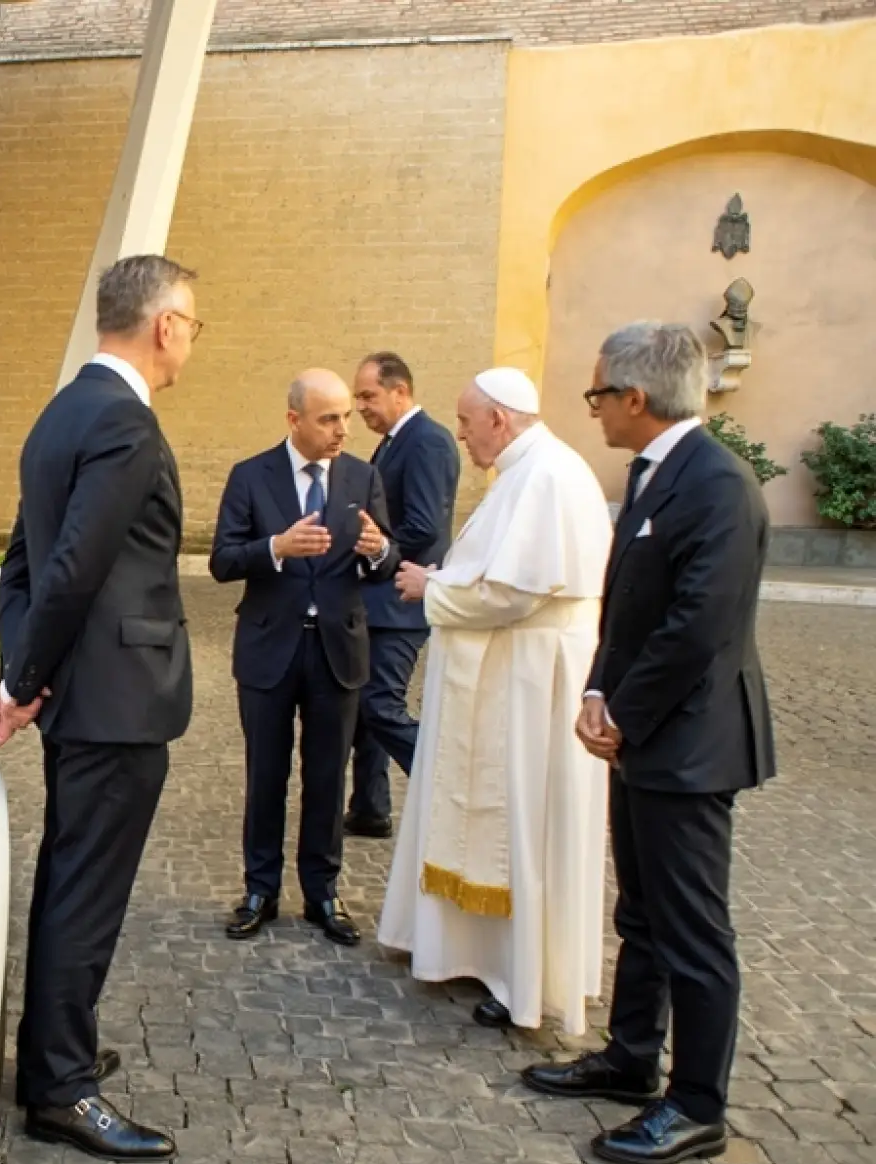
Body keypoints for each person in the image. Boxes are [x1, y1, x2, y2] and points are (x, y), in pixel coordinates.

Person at [522, 322, 775, 1164]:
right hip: (644, 733)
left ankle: (698, 1102)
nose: (591, 409)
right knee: (641, 912)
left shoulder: (717, 485)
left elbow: (696, 625)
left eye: (597, 395)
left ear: (634, 397)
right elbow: (626, 604)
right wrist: (599, 690)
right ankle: (633, 1056)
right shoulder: (655, 475)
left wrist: (622, 710)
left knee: (692, 925)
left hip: (690, 741)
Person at [0, 254, 198, 1161]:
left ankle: (52, 1053)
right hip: (116, 702)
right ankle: (61, 1086)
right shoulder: (125, 424)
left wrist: (26, 673)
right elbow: (69, 569)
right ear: (164, 325)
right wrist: (24, 684)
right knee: (83, 893)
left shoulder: (58, 416)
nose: (192, 342)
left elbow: (20, 571)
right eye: (194, 323)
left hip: (84, 696)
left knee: (72, 880)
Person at [374, 368, 613, 1033]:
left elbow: (514, 592)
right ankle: (475, 952)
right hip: (507, 669)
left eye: (466, 420)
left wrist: (433, 587)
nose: (461, 433)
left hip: (531, 682)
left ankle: (522, 974)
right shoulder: (525, 472)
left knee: (520, 819)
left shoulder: (546, 476)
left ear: (500, 419)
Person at [211, 369, 399, 947]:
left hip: (338, 650)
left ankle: (322, 891)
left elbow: (388, 558)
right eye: (329, 418)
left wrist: (378, 551)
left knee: (326, 776)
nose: (343, 428)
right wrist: (276, 547)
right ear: (295, 420)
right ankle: (259, 889)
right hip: (270, 647)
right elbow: (221, 560)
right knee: (266, 775)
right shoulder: (251, 476)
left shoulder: (364, 477)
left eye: (346, 415)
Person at [346, 352, 460, 839]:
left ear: (400, 391)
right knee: (363, 711)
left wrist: (372, 552)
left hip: (401, 598)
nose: (362, 407)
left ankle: (448, 793)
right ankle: (370, 809)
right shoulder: (393, 443)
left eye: (368, 396)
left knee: (380, 705)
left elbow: (423, 526)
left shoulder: (427, 441)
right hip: (381, 597)